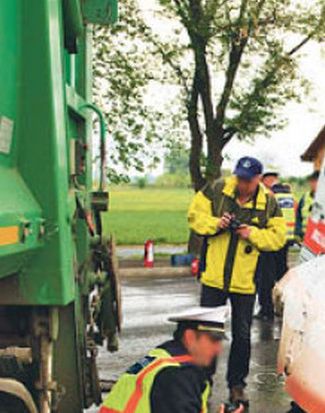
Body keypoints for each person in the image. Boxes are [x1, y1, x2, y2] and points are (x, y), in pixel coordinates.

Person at [186, 156, 286, 408]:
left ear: (258, 180)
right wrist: (215, 223)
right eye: (239, 178)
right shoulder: (217, 189)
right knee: (208, 334)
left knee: (241, 337)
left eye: (248, 180)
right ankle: (202, 383)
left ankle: (237, 386)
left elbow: (277, 239)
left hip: (244, 281)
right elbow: (194, 216)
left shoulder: (269, 203)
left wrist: (251, 233)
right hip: (213, 278)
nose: (242, 184)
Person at [100, 306, 237, 413]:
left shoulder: (164, 356)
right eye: (212, 341)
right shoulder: (178, 376)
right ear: (190, 337)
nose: (218, 349)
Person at [256, 181, 296, 320]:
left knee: (266, 277)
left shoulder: (269, 197)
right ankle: (288, 306)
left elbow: (262, 218)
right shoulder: (290, 198)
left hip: (270, 240)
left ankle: (266, 310)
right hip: (285, 240)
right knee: (282, 274)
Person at [295, 171, 319, 242]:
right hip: (305, 236)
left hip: (319, 238)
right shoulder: (305, 197)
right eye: (313, 182)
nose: (314, 185)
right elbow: (298, 216)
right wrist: (299, 231)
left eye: (316, 182)